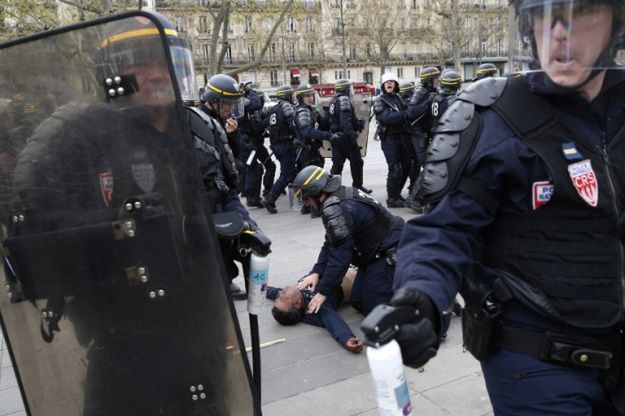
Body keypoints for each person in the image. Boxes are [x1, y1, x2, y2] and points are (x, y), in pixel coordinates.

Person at [4, 12, 260, 415]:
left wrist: (242, 226)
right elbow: (30, 228)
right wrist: (122, 231)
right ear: (112, 73)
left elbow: (225, 195)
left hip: (200, 326)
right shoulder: (76, 136)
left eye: (166, 62)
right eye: (141, 62)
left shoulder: (197, 128)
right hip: (122, 338)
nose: (157, 74)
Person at [390, 0, 625, 414]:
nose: (559, 32)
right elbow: (444, 229)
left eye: (582, 11)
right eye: (543, 15)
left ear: (617, 24)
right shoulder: (498, 116)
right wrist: (421, 294)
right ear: (526, 29)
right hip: (534, 363)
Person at [290, 165, 404, 315]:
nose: (305, 203)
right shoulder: (339, 196)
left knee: (375, 310)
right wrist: (316, 272)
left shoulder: (337, 209)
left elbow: (340, 257)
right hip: (376, 252)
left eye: (305, 197)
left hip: (391, 253)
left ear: (316, 191)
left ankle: (420, 294)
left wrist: (323, 292)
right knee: (358, 301)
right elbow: (331, 242)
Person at [199, 73, 271, 300]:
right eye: (228, 103)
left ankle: (246, 285)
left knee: (252, 235)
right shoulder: (198, 123)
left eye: (234, 104)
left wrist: (233, 136)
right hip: (211, 194)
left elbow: (241, 156)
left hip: (227, 191)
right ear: (213, 100)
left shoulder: (227, 123)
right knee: (220, 241)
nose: (231, 109)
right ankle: (225, 281)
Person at [267, 267, 364, 353]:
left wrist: (255, 288)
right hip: (351, 276)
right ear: (297, 304)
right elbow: (334, 322)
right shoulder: (316, 308)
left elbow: (271, 292)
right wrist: (347, 339)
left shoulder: (291, 298)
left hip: (332, 267)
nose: (280, 293)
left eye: (278, 298)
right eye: (283, 298)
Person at [293, 84, 340, 217]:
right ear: (301, 97)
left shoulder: (310, 110)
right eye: (307, 96)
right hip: (306, 149)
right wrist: (328, 136)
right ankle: (314, 208)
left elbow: (321, 124)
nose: (310, 98)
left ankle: (307, 207)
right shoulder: (302, 112)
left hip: (312, 149)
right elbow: (307, 131)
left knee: (312, 178)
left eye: (311, 95)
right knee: (312, 181)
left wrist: (327, 114)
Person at [404, 67, 440, 213]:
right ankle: (414, 198)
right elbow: (410, 113)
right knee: (427, 166)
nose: (438, 81)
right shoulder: (420, 92)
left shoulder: (432, 92)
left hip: (426, 134)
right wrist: (427, 103)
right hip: (418, 135)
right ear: (429, 81)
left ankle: (421, 197)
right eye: (436, 78)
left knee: (428, 166)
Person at [373, 73, 413, 208]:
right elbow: (386, 118)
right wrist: (404, 114)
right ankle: (392, 198)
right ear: (383, 85)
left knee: (407, 167)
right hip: (389, 139)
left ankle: (397, 194)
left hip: (403, 137)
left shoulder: (398, 98)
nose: (389, 84)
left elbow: (408, 113)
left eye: (392, 81)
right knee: (395, 168)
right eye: (387, 82)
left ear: (395, 84)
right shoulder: (380, 100)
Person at [327, 79, 372, 194]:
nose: (351, 92)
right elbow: (345, 122)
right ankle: (357, 187)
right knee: (357, 162)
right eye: (350, 89)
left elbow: (336, 120)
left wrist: (358, 124)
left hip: (336, 138)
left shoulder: (333, 100)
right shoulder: (344, 100)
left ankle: (333, 190)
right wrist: (353, 136)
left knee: (337, 164)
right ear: (346, 90)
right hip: (345, 138)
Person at [238, 82, 276, 208]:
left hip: (256, 143)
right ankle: (251, 198)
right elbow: (256, 105)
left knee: (270, 165)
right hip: (248, 144)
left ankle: (267, 191)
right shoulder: (240, 103)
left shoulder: (253, 110)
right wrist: (251, 91)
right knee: (253, 169)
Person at [262, 85, 298, 214]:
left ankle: (299, 199)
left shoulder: (274, 109)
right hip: (285, 145)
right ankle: (270, 198)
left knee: (292, 172)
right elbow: (294, 124)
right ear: (287, 96)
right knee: (286, 175)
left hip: (276, 145)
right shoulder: (286, 107)